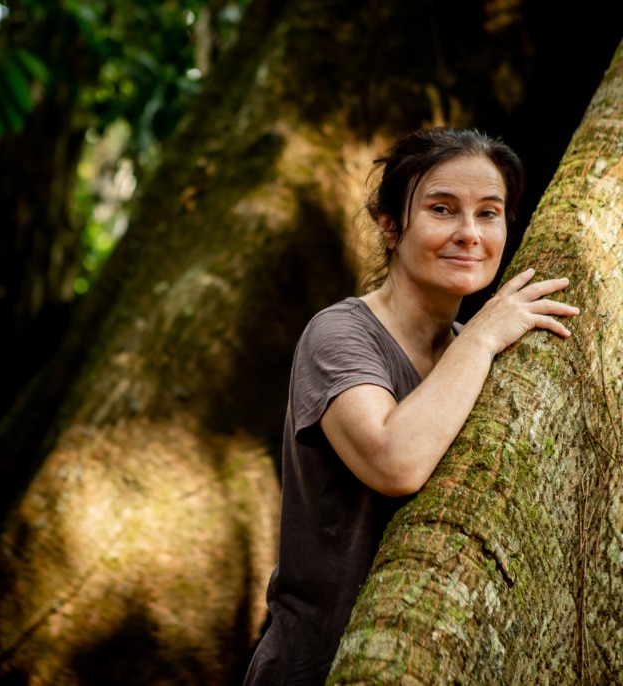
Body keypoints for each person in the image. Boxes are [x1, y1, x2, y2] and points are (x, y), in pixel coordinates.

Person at [243, 127, 580, 685]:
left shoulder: (484, 348)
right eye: (442, 209)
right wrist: (481, 337)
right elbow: (394, 462)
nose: (469, 234)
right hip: (321, 666)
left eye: (489, 213)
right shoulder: (340, 334)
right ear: (391, 225)